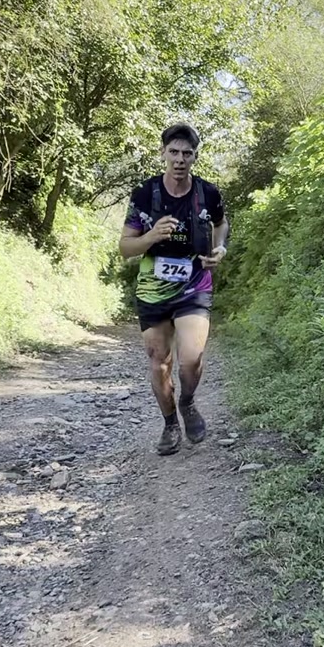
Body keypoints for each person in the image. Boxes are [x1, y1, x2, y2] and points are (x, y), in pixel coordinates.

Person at [119, 123, 228, 455]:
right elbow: (125, 247)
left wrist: (220, 248)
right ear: (163, 153)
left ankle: (188, 402)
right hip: (153, 289)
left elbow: (221, 223)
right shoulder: (145, 193)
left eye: (187, 153)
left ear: (195, 157)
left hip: (194, 283)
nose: (180, 159)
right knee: (160, 362)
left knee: (191, 359)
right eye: (174, 152)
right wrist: (152, 236)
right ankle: (169, 425)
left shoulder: (208, 193)